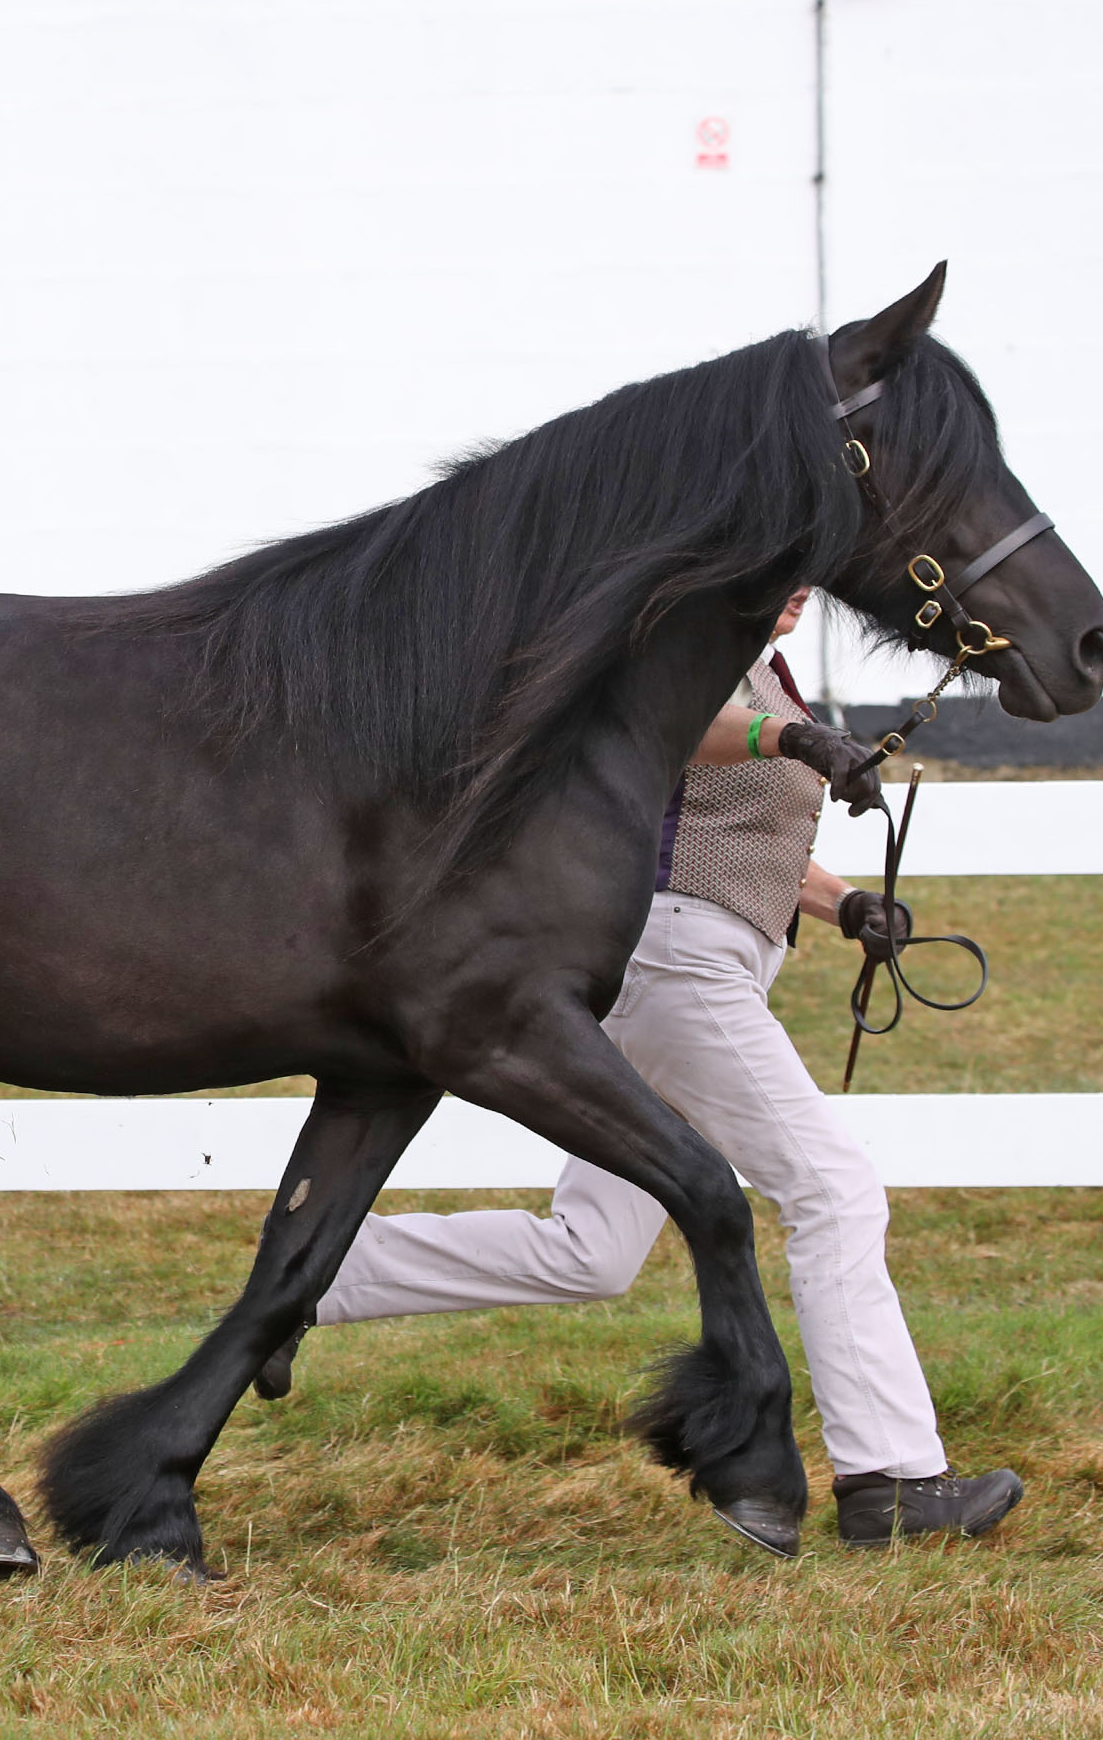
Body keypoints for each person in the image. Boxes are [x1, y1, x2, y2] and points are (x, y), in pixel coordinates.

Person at [262, 588, 1024, 1553]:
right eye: (782, 572)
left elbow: (735, 835)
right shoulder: (687, 649)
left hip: (687, 958)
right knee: (831, 1188)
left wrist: (846, 905)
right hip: (676, 962)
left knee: (592, 1249)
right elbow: (684, 728)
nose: (798, 592)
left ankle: (314, 1272)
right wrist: (793, 743)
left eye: (808, 579)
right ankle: (893, 1479)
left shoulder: (760, 670)